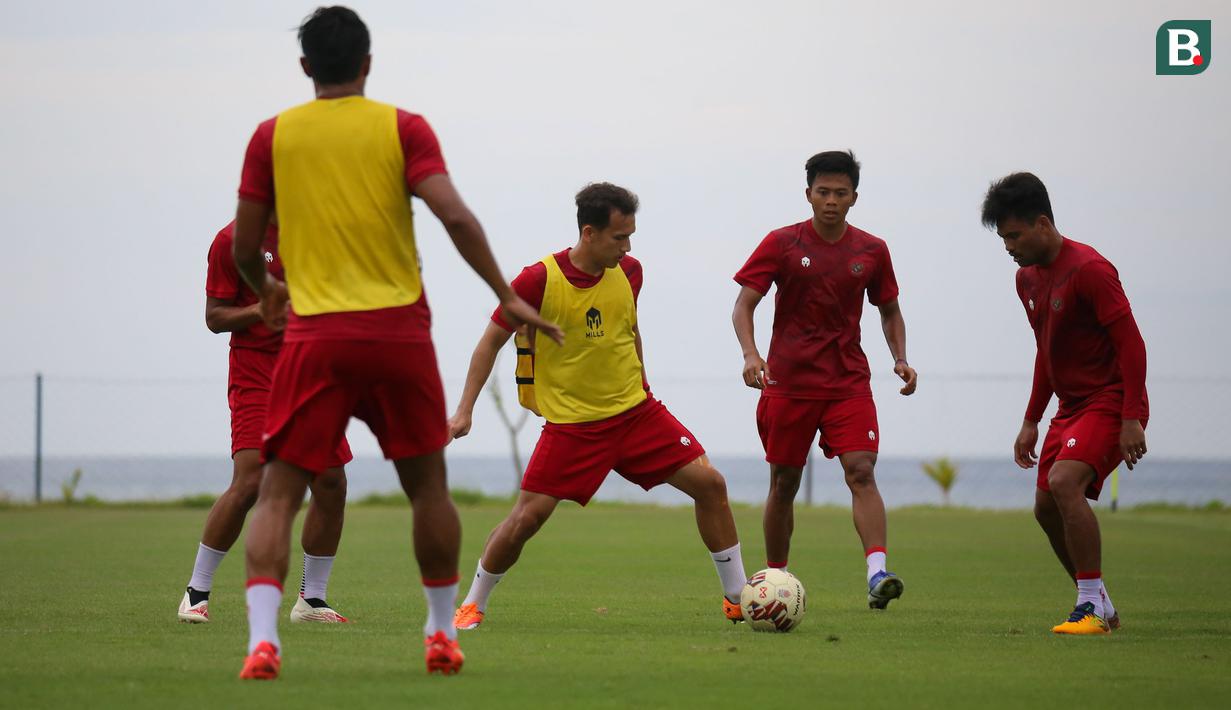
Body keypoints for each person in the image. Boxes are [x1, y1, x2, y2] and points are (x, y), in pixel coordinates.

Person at [230, 6, 560, 679]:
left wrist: (266, 288)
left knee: (277, 495)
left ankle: (263, 641)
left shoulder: (272, 135)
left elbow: (243, 245)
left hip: (315, 336)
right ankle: (440, 633)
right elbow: (455, 216)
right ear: (368, 63)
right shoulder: (403, 127)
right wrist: (504, 292)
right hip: (397, 333)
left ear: (305, 67)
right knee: (428, 490)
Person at [449, 182, 748, 630]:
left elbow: (628, 328)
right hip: (574, 427)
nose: (627, 248)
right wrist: (465, 410)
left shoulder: (630, 272)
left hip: (637, 415)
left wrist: (643, 384)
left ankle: (738, 598)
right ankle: (473, 604)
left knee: (710, 485)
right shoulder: (538, 280)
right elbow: (490, 341)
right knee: (527, 519)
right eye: (619, 237)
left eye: (630, 237)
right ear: (589, 233)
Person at [731, 150, 917, 609]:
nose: (831, 200)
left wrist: (900, 358)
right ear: (808, 194)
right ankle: (775, 580)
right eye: (823, 192)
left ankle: (877, 573)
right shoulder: (781, 243)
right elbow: (744, 305)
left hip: (847, 384)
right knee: (784, 483)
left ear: (854, 197)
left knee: (861, 471)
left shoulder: (872, 250)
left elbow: (889, 310)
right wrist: (751, 354)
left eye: (841, 193)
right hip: (788, 384)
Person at [981, 172, 1148, 635]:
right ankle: (1100, 602)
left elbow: (1132, 344)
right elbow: (1047, 351)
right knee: (1045, 507)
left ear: (1042, 223)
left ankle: (1088, 605)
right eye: (1003, 237)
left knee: (1064, 482)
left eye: (1014, 235)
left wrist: (1131, 417)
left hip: (1110, 399)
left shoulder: (1090, 270)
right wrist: (1031, 419)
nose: (1008, 246)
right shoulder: (1026, 280)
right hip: (1070, 406)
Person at [177, 220, 351, 626]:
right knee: (251, 480)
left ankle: (312, 600)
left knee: (331, 482)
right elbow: (214, 317)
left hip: (311, 371)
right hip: (257, 372)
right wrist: (261, 309)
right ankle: (196, 593)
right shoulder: (233, 240)